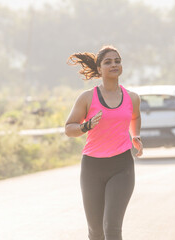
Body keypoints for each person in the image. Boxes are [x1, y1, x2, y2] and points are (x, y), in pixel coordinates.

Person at [65, 45, 143, 240]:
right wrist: (86, 126)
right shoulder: (87, 98)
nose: (114, 64)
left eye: (117, 61)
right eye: (108, 62)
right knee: (96, 232)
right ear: (99, 69)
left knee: (112, 228)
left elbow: (135, 117)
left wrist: (136, 136)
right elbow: (69, 128)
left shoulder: (132, 98)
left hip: (121, 167)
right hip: (92, 168)